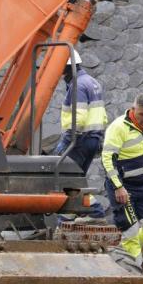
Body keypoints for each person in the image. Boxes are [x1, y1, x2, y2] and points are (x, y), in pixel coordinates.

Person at [102, 93, 143, 272]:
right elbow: (107, 159)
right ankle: (136, 270)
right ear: (133, 110)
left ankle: (123, 250)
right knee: (131, 232)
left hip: (142, 187)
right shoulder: (118, 127)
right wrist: (118, 187)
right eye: (142, 114)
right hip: (122, 187)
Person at [55, 49, 108, 220]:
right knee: (75, 181)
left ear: (67, 67)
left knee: (66, 181)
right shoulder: (92, 82)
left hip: (79, 140)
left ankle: (95, 212)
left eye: (61, 68)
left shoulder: (77, 85)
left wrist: (67, 141)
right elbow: (102, 115)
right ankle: (70, 215)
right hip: (92, 139)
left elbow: (79, 116)